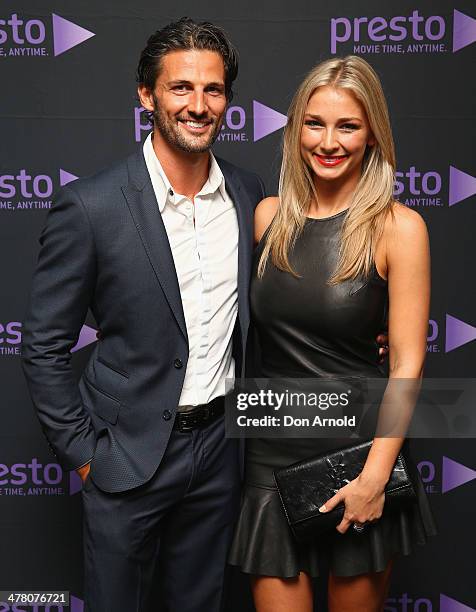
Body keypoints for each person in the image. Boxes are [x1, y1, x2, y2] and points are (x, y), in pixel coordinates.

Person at [20, 17, 265, 612]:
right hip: (124, 456)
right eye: (181, 87)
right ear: (147, 94)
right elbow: (44, 347)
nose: (199, 105)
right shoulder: (92, 206)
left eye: (213, 90)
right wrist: (85, 458)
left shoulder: (250, 195)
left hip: (218, 454)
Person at [229, 56, 436, 612]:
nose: (328, 141)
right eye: (314, 123)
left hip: (360, 456)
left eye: (348, 126)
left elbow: (408, 365)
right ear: (295, 129)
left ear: (372, 135)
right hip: (269, 456)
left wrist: (375, 477)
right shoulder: (267, 218)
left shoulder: (399, 228)